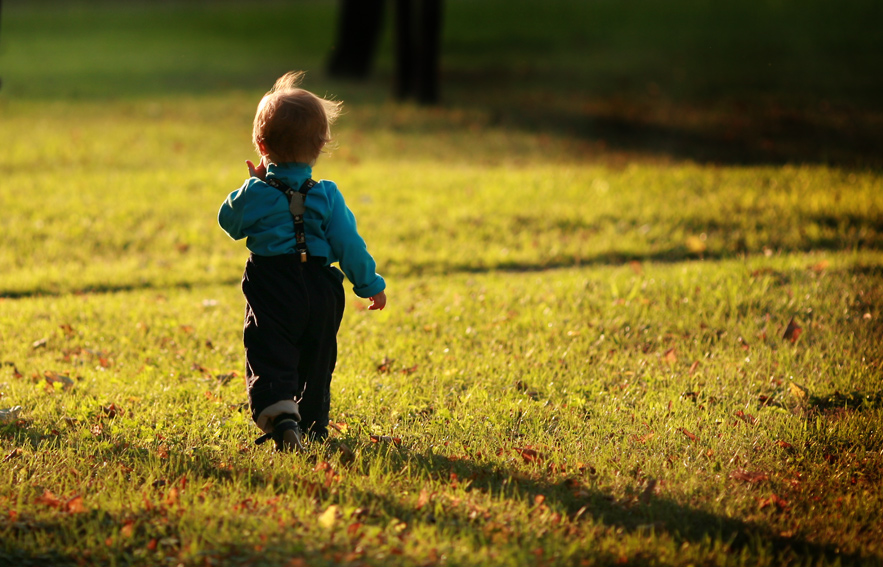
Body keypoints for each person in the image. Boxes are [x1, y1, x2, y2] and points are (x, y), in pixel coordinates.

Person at [218, 71, 387, 452]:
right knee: (318, 354)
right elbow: (349, 244)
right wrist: (370, 284)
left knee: (269, 345)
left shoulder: (259, 191)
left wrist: (250, 186)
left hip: (272, 282)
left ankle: (280, 413)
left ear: (261, 144)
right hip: (321, 286)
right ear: (321, 145)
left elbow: (229, 223)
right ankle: (311, 423)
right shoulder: (327, 194)